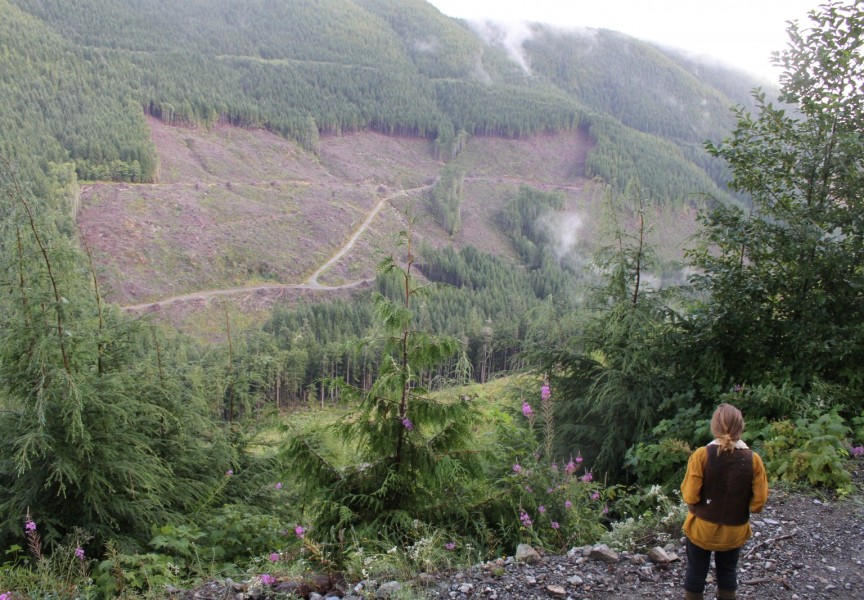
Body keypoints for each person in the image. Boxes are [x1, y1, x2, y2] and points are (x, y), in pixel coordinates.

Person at [680, 403, 769, 600]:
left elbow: (690, 496)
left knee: (696, 572)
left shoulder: (701, 455)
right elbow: (758, 504)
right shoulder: (753, 460)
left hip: (701, 529)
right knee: (728, 572)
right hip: (734, 530)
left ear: (714, 427)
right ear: (740, 427)